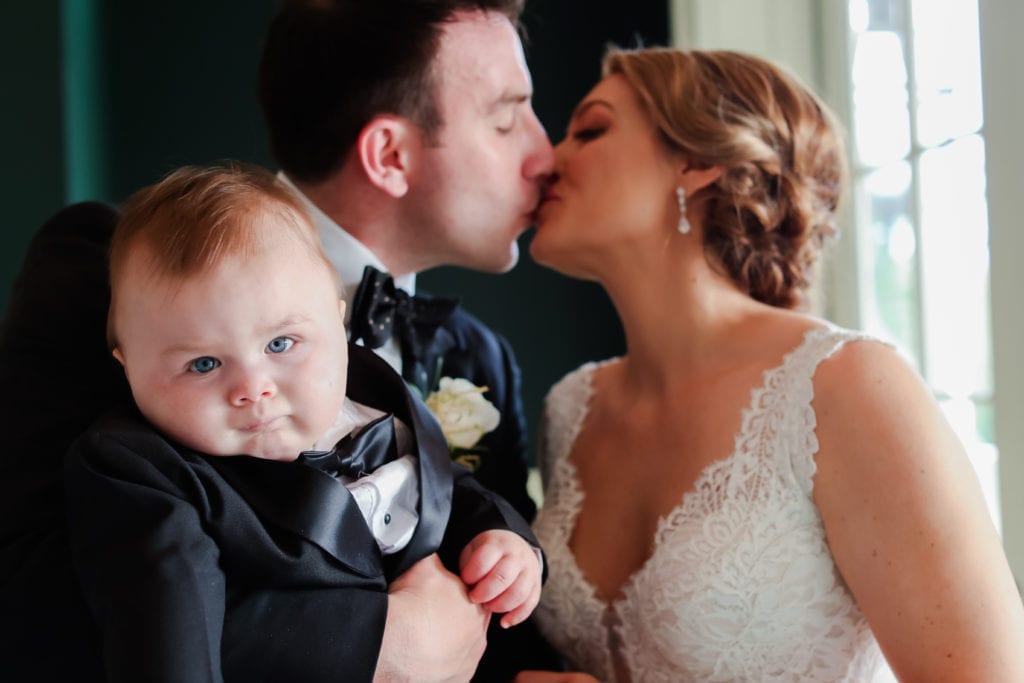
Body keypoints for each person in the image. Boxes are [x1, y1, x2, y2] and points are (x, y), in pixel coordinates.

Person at [0, 1, 557, 680]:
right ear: (389, 154)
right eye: (506, 118)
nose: (545, 156)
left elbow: (500, 590)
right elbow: (37, 583)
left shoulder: (477, 356)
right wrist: (369, 641)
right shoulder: (112, 264)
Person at [515, 47, 1024, 682]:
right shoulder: (570, 408)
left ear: (700, 163)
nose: (545, 159)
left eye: (590, 130)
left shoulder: (845, 385)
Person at [64, 163, 543, 682]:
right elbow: (172, 641)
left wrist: (500, 540)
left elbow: (450, 490)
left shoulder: (375, 408)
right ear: (127, 366)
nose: (253, 388)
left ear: (338, 327)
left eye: (280, 344)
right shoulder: (142, 469)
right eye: (203, 363)